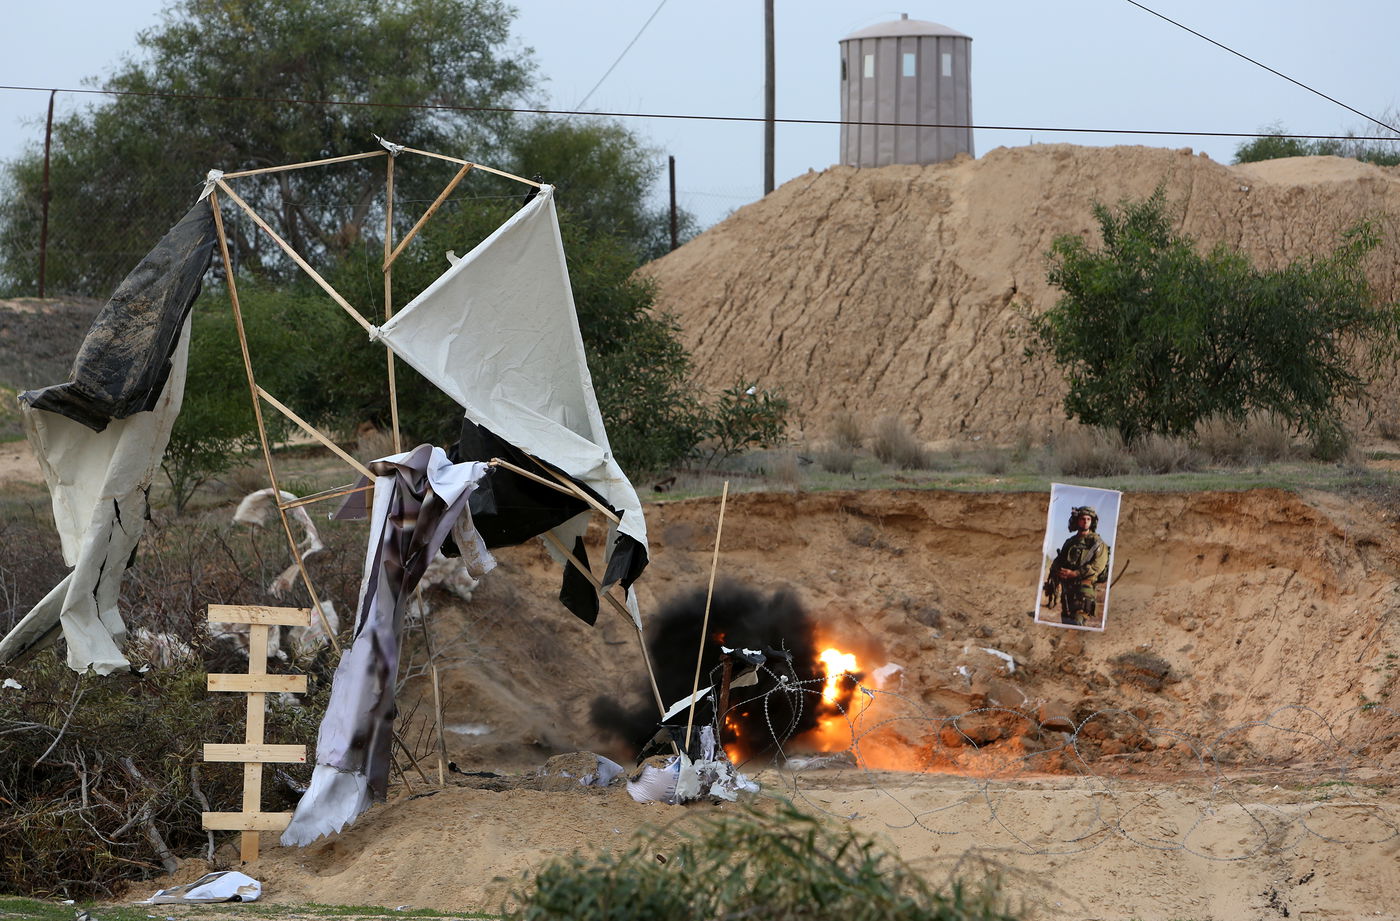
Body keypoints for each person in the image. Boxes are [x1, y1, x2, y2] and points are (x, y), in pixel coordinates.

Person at [1045, 505, 1109, 626]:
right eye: (1082, 519)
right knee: (1066, 622)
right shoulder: (1070, 542)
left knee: (1078, 623)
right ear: (1077, 521)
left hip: (1084, 592)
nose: (1085, 522)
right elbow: (1059, 561)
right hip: (1067, 592)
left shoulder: (1098, 543)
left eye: (1088, 519)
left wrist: (1075, 574)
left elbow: (1097, 566)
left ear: (1092, 521)